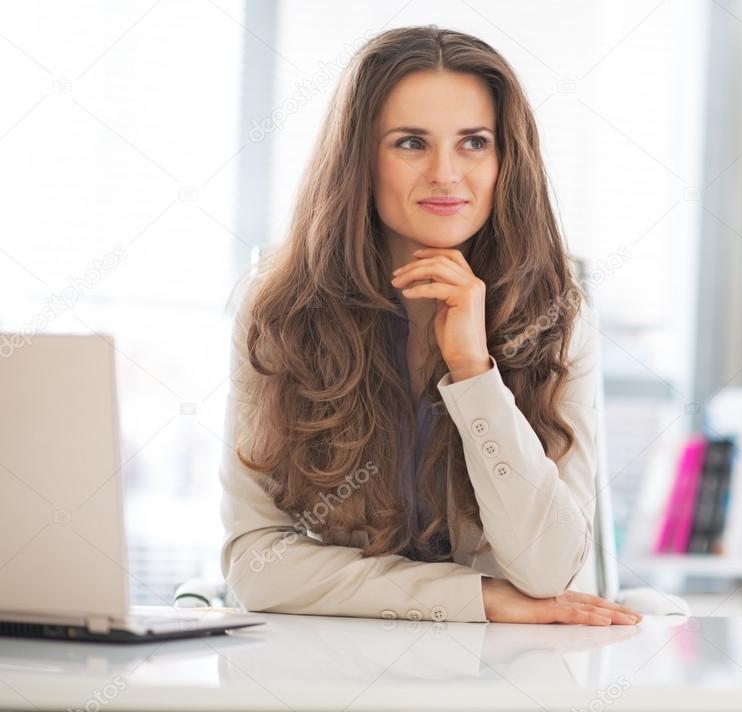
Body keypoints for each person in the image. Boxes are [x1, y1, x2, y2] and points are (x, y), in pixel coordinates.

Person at [219, 25, 642, 626]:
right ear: (360, 160)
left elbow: (548, 572)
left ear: (504, 160)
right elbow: (256, 565)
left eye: (473, 142)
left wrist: (474, 371)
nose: (447, 174)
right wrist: (477, 599)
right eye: (411, 143)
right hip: (334, 668)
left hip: (513, 673)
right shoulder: (279, 312)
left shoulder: (559, 313)